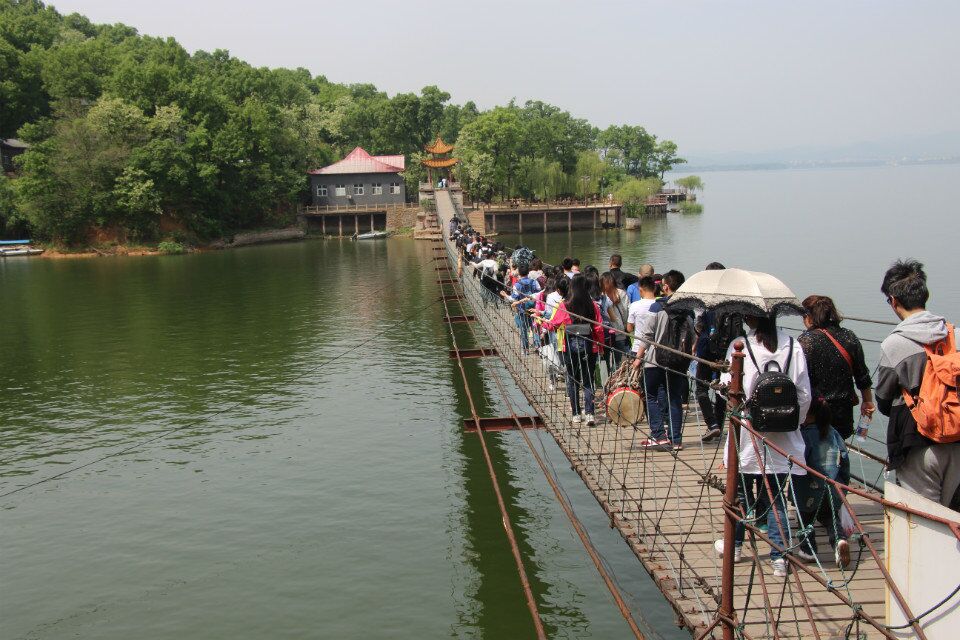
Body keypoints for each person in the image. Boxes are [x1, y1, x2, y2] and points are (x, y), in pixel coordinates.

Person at [716, 315, 811, 578]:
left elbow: (727, 389)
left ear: (749, 317)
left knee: (739, 494)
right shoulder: (793, 345)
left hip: (747, 433)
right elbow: (804, 394)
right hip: (783, 437)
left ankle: (735, 546)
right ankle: (779, 558)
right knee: (776, 498)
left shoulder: (740, 345)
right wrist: (792, 422)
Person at [876, 259, 960, 509]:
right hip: (957, 435)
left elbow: (883, 399)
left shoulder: (894, 344)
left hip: (917, 440)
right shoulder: (955, 335)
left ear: (894, 301)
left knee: (926, 517)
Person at [632, 270, 695, 451]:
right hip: (678, 362)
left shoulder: (657, 307)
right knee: (674, 398)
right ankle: (676, 440)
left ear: (665, 286)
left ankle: (658, 435)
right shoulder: (688, 311)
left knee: (650, 395)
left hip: (655, 360)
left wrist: (638, 358)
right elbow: (693, 337)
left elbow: (647, 335)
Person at [797, 295, 875, 439]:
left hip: (815, 415)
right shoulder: (849, 336)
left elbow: (799, 379)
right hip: (843, 414)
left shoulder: (805, 341)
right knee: (839, 445)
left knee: (814, 450)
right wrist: (867, 401)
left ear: (808, 316)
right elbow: (862, 376)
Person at [536, 274, 605, 426]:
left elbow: (553, 324)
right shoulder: (593, 305)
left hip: (569, 347)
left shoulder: (564, 305)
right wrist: (600, 346)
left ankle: (576, 414)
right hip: (590, 347)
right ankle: (590, 414)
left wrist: (539, 321)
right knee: (588, 380)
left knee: (573, 380)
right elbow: (599, 328)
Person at [793, 397, 852, 569]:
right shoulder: (833, 433)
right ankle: (839, 541)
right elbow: (844, 458)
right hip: (832, 485)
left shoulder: (804, 435)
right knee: (830, 517)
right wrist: (843, 482)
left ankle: (808, 550)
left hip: (807, 487)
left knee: (805, 518)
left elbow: (799, 460)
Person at [694, 262, 742, 442]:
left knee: (701, 388)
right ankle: (720, 425)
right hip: (729, 351)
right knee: (723, 387)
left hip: (706, 349)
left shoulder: (704, 298)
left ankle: (712, 424)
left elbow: (698, 325)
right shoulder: (733, 300)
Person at [501, 263, 541, 355]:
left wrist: (505, 295)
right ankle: (538, 347)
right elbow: (539, 293)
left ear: (519, 272)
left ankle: (526, 350)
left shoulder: (517, 285)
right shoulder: (534, 282)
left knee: (524, 330)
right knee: (535, 328)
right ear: (528, 272)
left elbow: (513, 299)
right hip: (534, 309)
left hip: (522, 310)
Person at [600, 272, 630, 372]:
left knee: (605, 359)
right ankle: (618, 376)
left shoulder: (599, 295)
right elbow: (626, 311)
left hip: (605, 332)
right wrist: (625, 325)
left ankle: (607, 376)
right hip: (619, 329)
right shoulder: (621, 293)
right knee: (619, 359)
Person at [626, 276, 657, 355]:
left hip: (637, 347)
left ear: (640, 290)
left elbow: (629, 329)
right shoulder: (660, 305)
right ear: (654, 289)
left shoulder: (634, 305)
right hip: (655, 349)